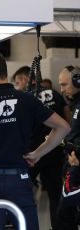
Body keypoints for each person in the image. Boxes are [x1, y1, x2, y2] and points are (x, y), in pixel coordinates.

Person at [0, 52, 70, 230]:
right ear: (4, 72)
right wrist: (38, 153)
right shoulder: (26, 99)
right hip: (19, 179)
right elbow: (64, 127)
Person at [12, 65, 69, 230]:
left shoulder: (24, 99)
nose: (16, 86)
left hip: (32, 155)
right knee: (56, 196)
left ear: (25, 79)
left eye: (17, 82)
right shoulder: (57, 95)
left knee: (22, 194)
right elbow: (67, 122)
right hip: (55, 152)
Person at [57, 65, 80, 230]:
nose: (61, 89)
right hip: (73, 165)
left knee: (64, 215)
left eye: (64, 84)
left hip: (76, 166)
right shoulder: (76, 104)